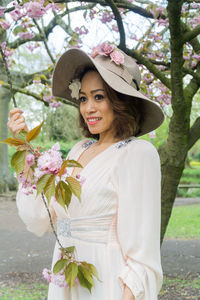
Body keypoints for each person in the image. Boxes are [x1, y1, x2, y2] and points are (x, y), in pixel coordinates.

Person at [8, 42, 165, 300]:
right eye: (83, 98)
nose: (88, 108)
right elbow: (39, 219)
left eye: (99, 96)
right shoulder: (79, 151)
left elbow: (142, 255)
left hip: (107, 282)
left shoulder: (137, 154)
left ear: (121, 100)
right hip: (67, 278)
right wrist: (24, 147)